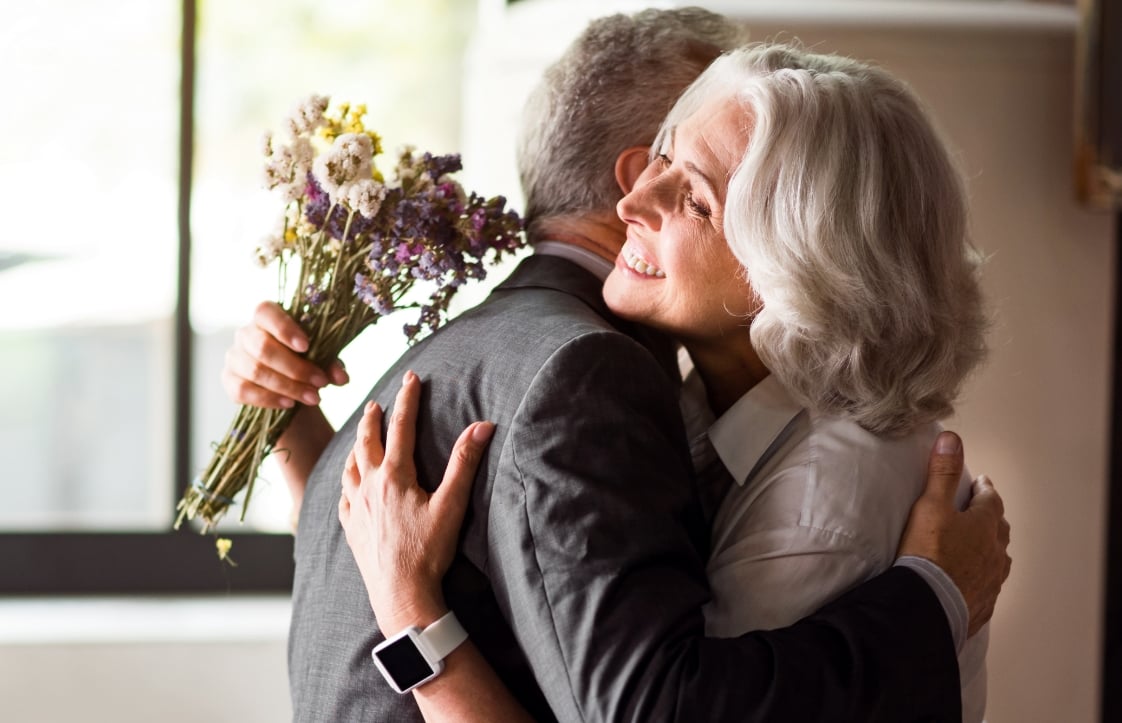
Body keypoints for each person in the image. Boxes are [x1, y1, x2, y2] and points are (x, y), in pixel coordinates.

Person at [222, 9, 1011, 722]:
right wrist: (934, 598)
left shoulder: (472, 355)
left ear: (791, 254)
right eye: (662, 154)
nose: (637, 200)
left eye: (695, 192)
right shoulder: (587, 375)